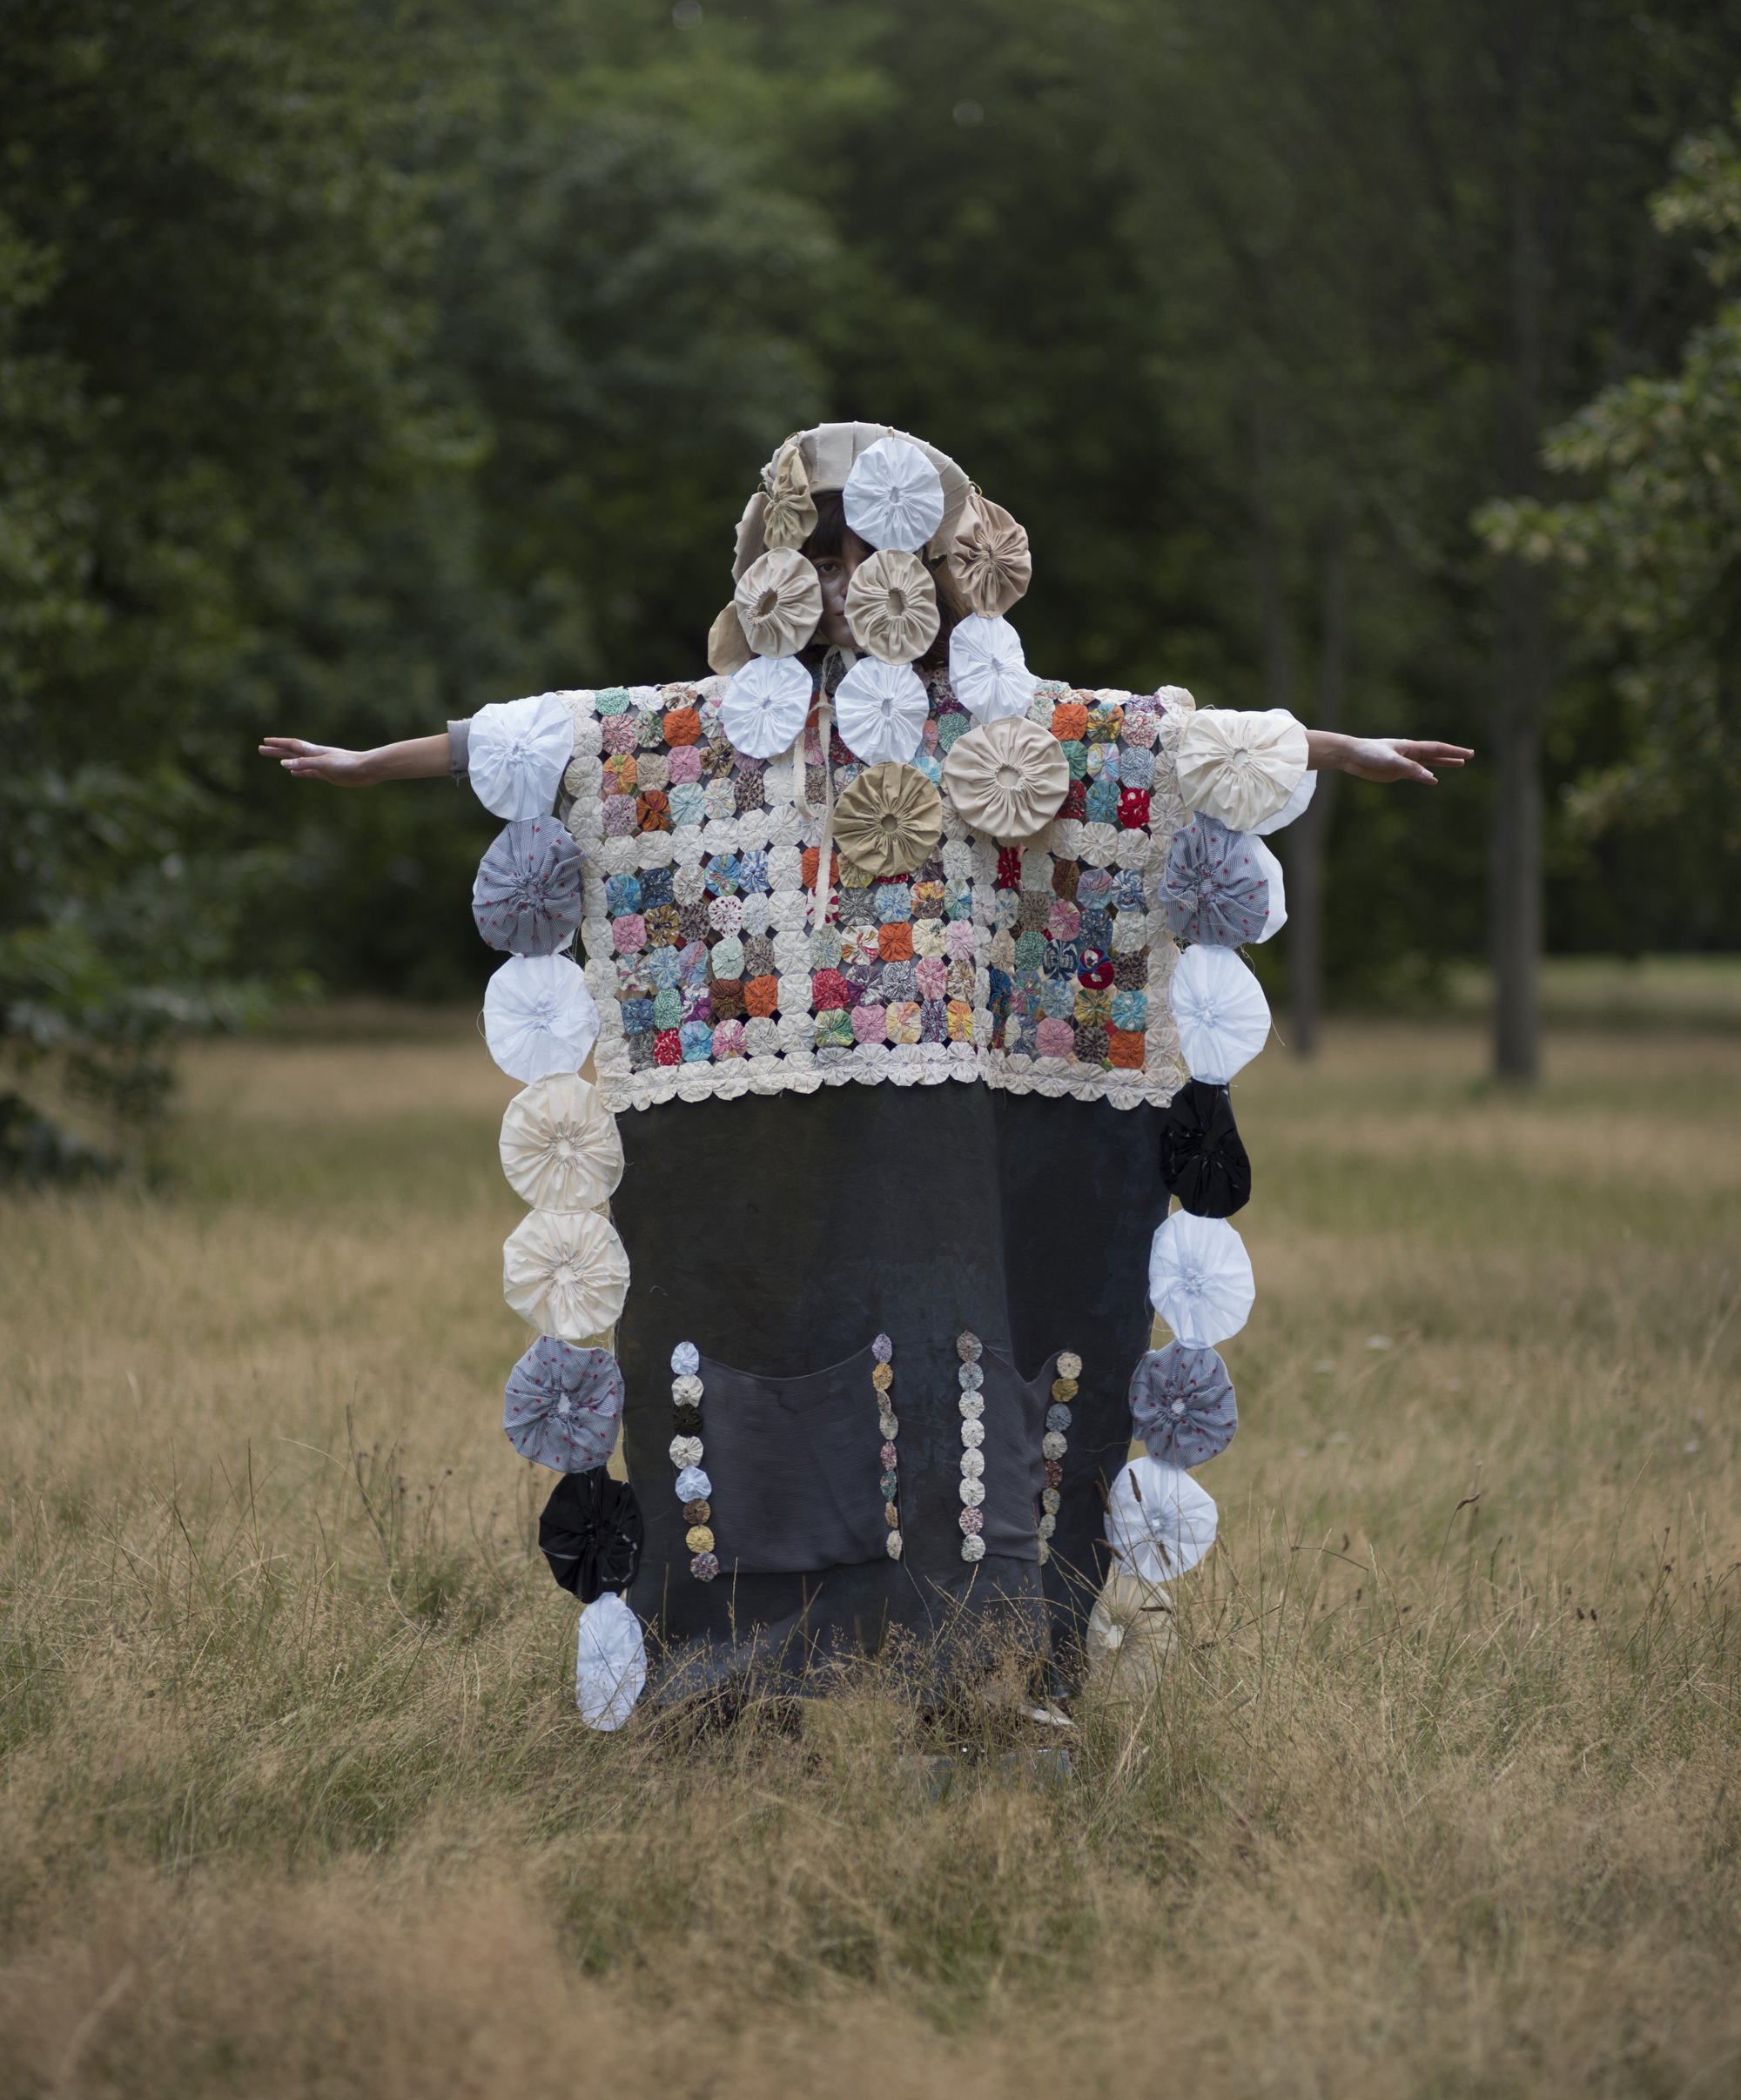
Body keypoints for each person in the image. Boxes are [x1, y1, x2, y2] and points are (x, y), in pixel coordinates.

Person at [263, 421, 1469, 1726]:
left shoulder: (1003, 722)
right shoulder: (714, 734)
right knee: (770, 1354)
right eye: (817, 548)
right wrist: (377, 760)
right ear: (777, 569)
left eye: (869, 546)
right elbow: (573, 737)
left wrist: (1331, 748)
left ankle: (986, 1676)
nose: (844, 575)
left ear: (936, 562)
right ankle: (756, 1678)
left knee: (967, 1363)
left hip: (958, 1128)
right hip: (777, 1122)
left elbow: (1154, 746)